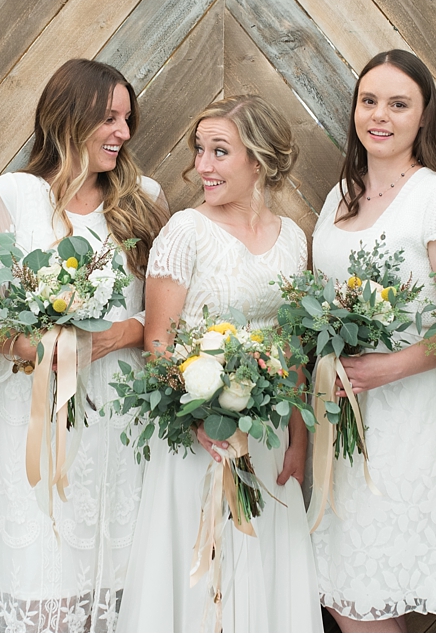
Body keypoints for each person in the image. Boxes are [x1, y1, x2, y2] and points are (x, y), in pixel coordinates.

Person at [0, 59, 164, 632]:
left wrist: (121, 333)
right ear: (67, 117)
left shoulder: (143, 196)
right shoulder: (12, 194)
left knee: (120, 583)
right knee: (43, 584)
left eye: (127, 120)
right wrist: (37, 347)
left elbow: (169, 308)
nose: (123, 134)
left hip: (121, 416)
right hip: (37, 416)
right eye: (108, 118)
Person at [122, 95, 320, 632]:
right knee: (202, 564)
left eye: (219, 151)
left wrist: (298, 438)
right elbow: (159, 342)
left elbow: (293, 347)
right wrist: (197, 420)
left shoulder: (293, 238)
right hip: (200, 437)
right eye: (199, 150)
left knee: (266, 558)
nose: (202, 166)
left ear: (259, 160)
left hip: (270, 432)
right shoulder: (185, 230)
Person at [309, 51, 436, 630]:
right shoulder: (340, 196)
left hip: (406, 416)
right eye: (369, 101)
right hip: (338, 414)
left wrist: (387, 369)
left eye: (398, 104)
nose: (379, 116)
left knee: (373, 590)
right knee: (339, 589)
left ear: (424, 117)